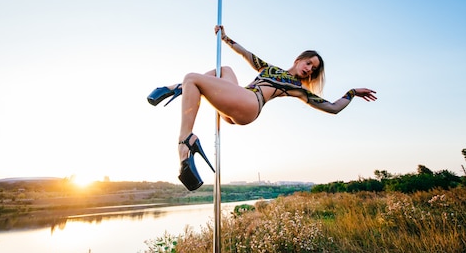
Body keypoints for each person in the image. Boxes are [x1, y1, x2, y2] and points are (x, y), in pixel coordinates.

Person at [147, 25, 377, 191]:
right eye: (309, 64)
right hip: (236, 103)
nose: (309, 70)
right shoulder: (270, 69)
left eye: (313, 70)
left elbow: (333, 108)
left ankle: (184, 136)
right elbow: (247, 54)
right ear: (299, 59)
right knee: (224, 69)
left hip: (249, 104)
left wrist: (353, 93)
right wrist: (225, 38)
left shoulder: (296, 87)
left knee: (192, 78)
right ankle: (182, 89)